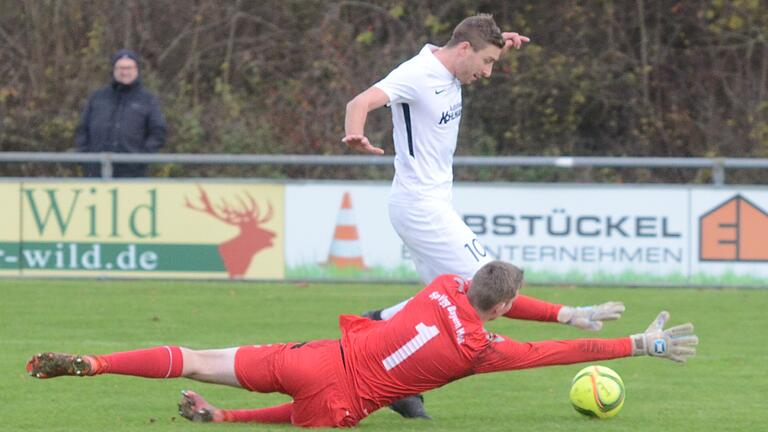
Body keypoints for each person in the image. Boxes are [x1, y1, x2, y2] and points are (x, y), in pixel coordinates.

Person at [342, 14, 625, 417]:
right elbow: (361, 101)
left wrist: (499, 44)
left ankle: (377, 333)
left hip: (428, 204)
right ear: (463, 50)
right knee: (488, 287)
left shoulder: (455, 66)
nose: (488, 73)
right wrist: (355, 133)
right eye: (487, 62)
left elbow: (475, 46)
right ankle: (569, 315)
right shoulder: (416, 73)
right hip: (420, 207)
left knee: (443, 303)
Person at [26, 261, 698, 428]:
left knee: (199, 356)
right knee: (311, 414)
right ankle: (222, 419)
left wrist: (560, 310)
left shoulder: (441, 285)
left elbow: (491, 292)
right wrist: (639, 344)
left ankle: (98, 363)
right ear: (498, 311)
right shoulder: (481, 350)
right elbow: (559, 354)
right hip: (343, 397)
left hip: (314, 356)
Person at [75, 48, 167, 177]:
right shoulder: (97, 97)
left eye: (129, 68)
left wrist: (142, 158)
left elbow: (158, 132)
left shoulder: (147, 100)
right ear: (113, 70)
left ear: (137, 70)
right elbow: (82, 129)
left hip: (132, 173)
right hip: (95, 170)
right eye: (120, 68)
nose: (125, 72)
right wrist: (83, 157)